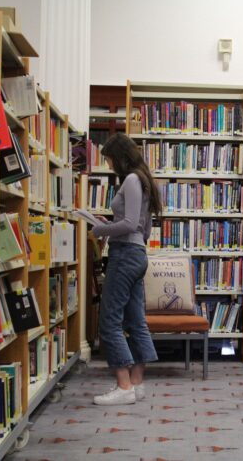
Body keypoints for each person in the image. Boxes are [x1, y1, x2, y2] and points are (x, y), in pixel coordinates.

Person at [90, 132, 162, 406]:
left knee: (109, 321)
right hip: (137, 253)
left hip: (125, 255)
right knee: (135, 320)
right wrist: (112, 223)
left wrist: (100, 229)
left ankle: (123, 386)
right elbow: (144, 228)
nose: (108, 164)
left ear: (119, 156)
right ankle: (136, 382)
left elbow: (131, 223)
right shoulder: (144, 181)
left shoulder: (131, 179)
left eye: (108, 158)